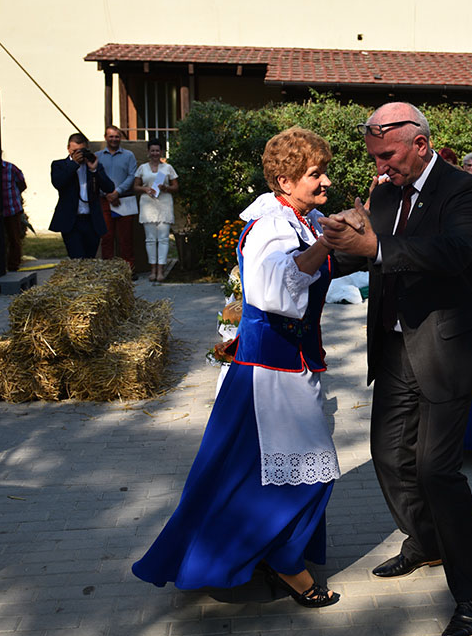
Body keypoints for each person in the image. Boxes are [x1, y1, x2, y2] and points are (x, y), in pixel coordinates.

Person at [320, 103, 472, 636]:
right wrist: (335, 241)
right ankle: (427, 541)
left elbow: (454, 252)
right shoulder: (384, 192)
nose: (382, 167)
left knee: (437, 470)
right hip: (393, 347)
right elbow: (369, 256)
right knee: (388, 456)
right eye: (375, 157)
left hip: (447, 348)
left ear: (421, 144)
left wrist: (376, 246)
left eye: (389, 156)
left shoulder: (466, 190)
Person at [132, 126, 341, 608]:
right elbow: (272, 294)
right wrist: (327, 245)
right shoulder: (271, 226)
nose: (326, 181)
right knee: (309, 472)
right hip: (269, 372)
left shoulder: (298, 219)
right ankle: (286, 562)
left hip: (284, 365)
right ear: (285, 182)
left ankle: (255, 553)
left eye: (323, 171)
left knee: (246, 473)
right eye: (316, 174)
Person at [49, 133, 112, 259]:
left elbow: (109, 188)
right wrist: (74, 164)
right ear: (68, 149)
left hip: (91, 220)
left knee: (89, 260)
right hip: (71, 222)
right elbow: (58, 183)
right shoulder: (59, 165)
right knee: (77, 259)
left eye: (81, 151)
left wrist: (94, 170)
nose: (78, 154)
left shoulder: (93, 166)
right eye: (74, 151)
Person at [133, 139, 179, 281]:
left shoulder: (168, 168)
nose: (154, 153)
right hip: (147, 205)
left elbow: (176, 187)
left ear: (161, 152)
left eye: (157, 150)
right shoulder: (142, 168)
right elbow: (135, 187)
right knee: (150, 240)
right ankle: (152, 270)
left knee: (164, 239)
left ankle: (161, 271)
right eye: (152, 150)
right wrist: (145, 188)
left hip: (164, 204)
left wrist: (166, 188)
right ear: (148, 152)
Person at [96, 126, 139, 273]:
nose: (114, 139)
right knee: (107, 237)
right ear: (105, 137)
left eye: (117, 136)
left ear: (120, 138)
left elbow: (132, 176)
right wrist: (108, 193)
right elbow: (95, 178)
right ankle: (109, 272)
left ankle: (128, 270)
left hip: (124, 201)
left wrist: (117, 192)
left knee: (126, 238)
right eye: (111, 136)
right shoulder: (98, 156)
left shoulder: (129, 156)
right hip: (104, 201)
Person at [0, 157, 27, 272]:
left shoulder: (11, 168)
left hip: (11, 210)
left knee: (14, 238)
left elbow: (22, 185)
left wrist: (14, 196)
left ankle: (13, 266)